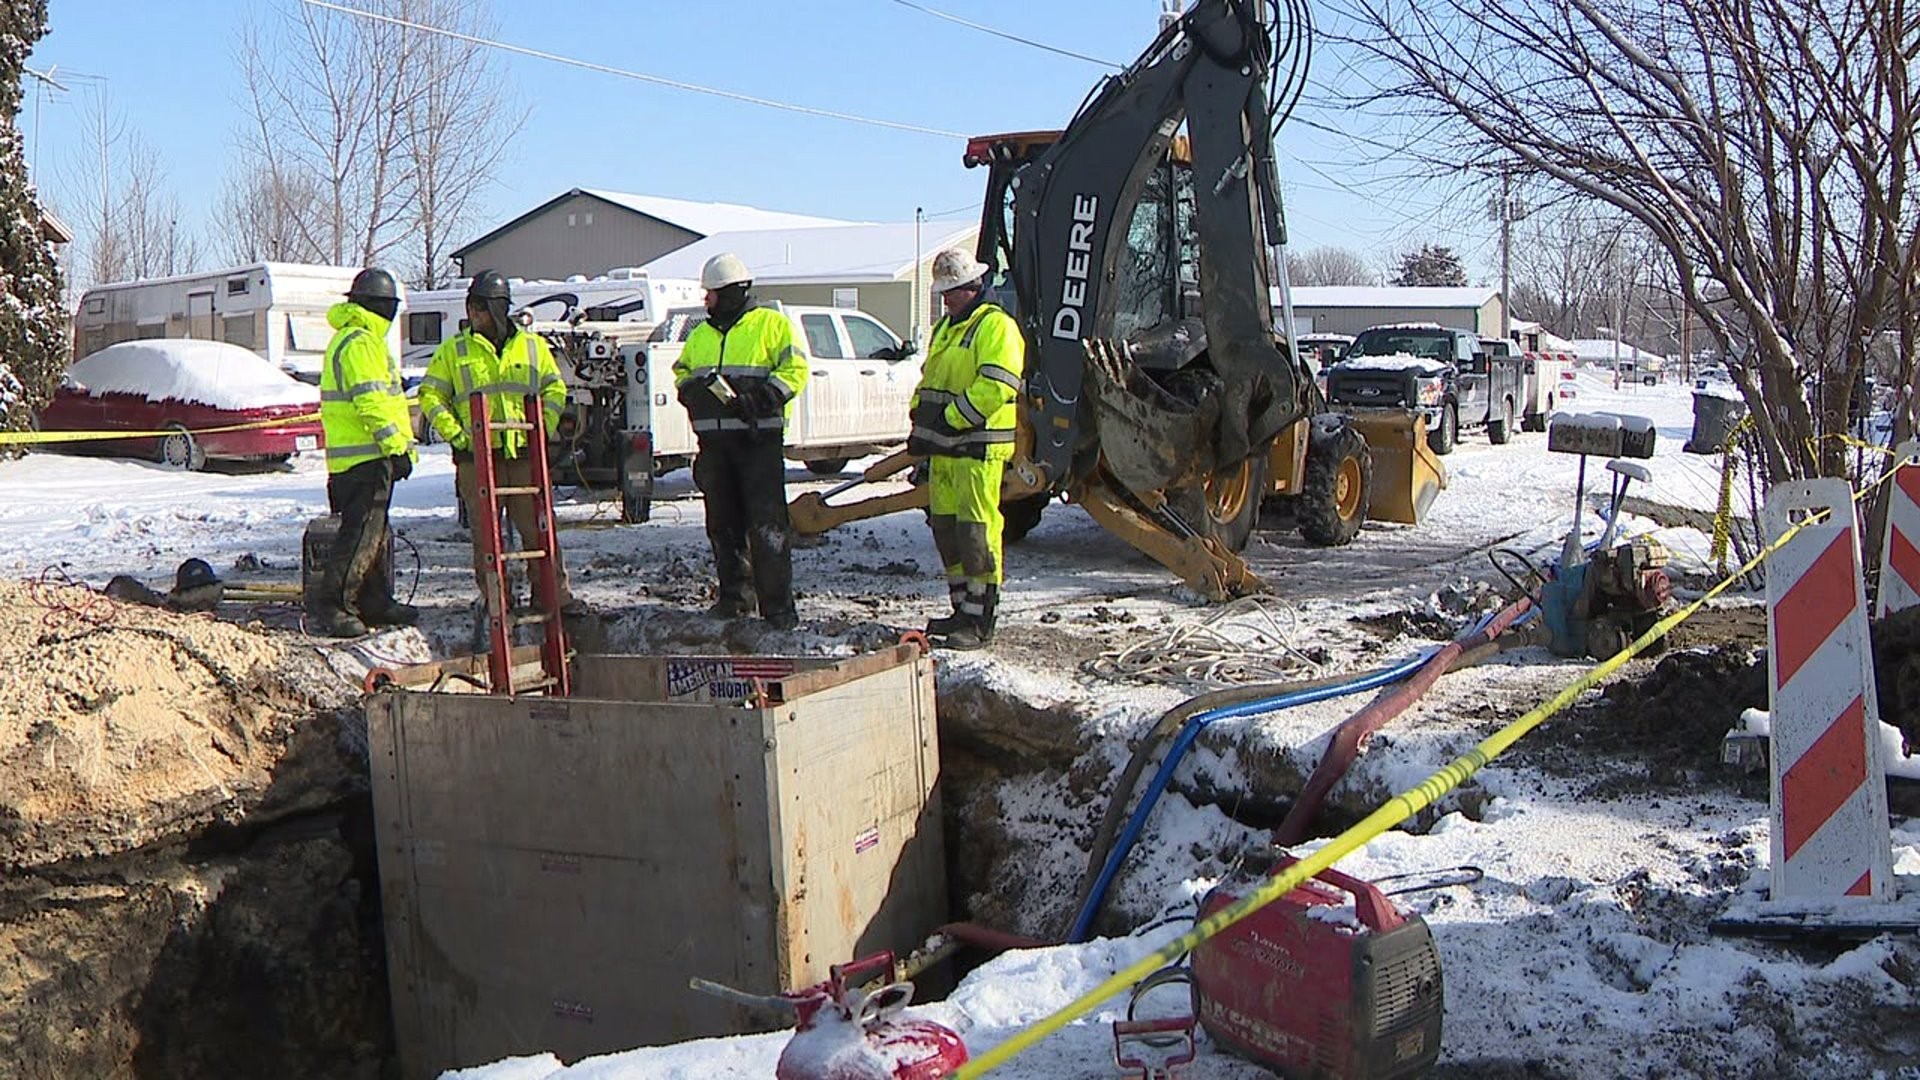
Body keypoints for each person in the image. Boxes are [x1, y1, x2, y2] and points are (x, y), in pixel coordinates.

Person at [418, 270, 584, 629]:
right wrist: (458, 434)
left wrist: (544, 426)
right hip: (478, 460)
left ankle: (554, 595)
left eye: (479, 309)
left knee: (539, 530)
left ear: (496, 310)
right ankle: (497, 601)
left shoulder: (532, 346)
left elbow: (554, 389)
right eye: (471, 309)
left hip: (525, 457)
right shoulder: (454, 351)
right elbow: (430, 395)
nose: (473, 316)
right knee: (487, 537)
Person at [672, 253, 808, 630]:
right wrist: (690, 391)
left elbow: (796, 370)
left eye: (711, 294)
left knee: (767, 528)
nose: (706, 301)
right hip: (715, 447)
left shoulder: (772, 325)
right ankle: (735, 599)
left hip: (757, 444)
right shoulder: (701, 334)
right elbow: (682, 370)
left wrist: (764, 397)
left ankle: (778, 609)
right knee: (723, 525)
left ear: (731, 292)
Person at [907, 250, 1026, 650]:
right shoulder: (947, 328)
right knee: (947, 529)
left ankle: (979, 619)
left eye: (949, 292)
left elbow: (996, 385)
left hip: (977, 448)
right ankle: (961, 609)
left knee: (977, 531)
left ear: (971, 288)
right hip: (944, 450)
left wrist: (951, 419)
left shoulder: (996, 327)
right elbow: (930, 380)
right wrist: (919, 420)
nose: (944, 300)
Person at [308, 267, 417, 638]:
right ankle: (334, 605)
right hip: (363, 460)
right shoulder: (360, 343)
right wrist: (394, 447)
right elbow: (370, 402)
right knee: (358, 538)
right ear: (381, 307)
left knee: (374, 535)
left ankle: (374, 600)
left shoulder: (360, 339)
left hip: (363, 458)